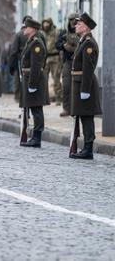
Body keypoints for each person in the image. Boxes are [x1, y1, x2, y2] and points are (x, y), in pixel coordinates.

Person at [69, 12, 102, 160]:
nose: (76, 26)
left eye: (79, 24)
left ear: (86, 27)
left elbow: (88, 69)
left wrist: (85, 90)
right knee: (83, 116)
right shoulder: (83, 41)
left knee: (87, 117)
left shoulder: (88, 43)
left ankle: (88, 148)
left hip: (85, 85)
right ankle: (86, 146)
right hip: (80, 84)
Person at [19, 18, 49, 148]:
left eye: (26, 27)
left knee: (36, 109)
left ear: (32, 29)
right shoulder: (31, 41)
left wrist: (32, 84)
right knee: (34, 108)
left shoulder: (36, 43)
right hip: (29, 78)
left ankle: (37, 137)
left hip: (34, 80)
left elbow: (36, 66)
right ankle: (35, 137)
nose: (24, 29)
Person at [56, 13, 79, 117]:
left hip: (79, 62)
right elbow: (57, 44)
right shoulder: (64, 33)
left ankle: (76, 109)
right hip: (68, 62)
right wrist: (64, 46)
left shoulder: (80, 32)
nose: (73, 22)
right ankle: (66, 108)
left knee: (77, 87)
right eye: (71, 20)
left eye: (74, 20)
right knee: (66, 86)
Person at [8, 15, 31, 104]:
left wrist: (11, 66)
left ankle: (18, 97)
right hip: (32, 61)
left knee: (18, 79)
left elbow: (13, 52)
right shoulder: (37, 34)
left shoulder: (19, 34)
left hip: (21, 61)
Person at [41, 18, 62, 103]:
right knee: (43, 78)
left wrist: (61, 60)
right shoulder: (42, 33)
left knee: (56, 78)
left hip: (55, 57)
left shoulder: (56, 32)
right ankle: (44, 97)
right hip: (45, 58)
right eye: (44, 23)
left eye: (47, 23)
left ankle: (58, 97)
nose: (46, 25)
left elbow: (59, 46)